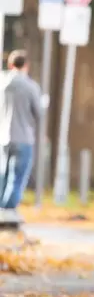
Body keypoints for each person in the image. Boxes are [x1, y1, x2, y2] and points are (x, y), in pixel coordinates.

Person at [0, 50, 42, 214]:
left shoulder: (2, 83)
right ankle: (8, 214)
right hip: (23, 136)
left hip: (3, 137)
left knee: (2, 175)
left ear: (10, 65)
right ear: (26, 66)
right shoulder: (30, 87)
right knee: (16, 178)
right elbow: (39, 112)